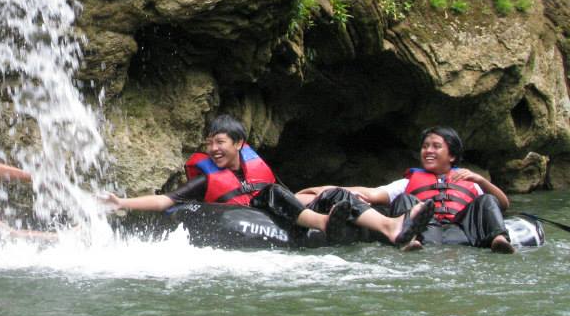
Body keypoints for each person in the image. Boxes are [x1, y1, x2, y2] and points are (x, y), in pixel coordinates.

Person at [103, 114, 434, 249]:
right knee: (273, 192)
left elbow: (289, 199)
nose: (213, 149)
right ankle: (324, 223)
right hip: (237, 218)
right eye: (210, 143)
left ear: (239, 145)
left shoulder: (255, 170)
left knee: (334, 193)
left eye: (220, 142)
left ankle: (393, 228)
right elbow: (167, 201)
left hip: (277, 214)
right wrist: (122, 203)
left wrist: (319, 194)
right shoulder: (206, 180)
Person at [300, 126, 514, 253]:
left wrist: (482, 181)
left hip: (464, 233)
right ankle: (408, 239)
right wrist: (320, 190)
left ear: (452, 155)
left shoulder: (472, 182)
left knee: (487, 200)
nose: (428, 151)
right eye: (425, 146)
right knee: (403, 199)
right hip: (425, 234)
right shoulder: (406, 183)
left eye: (436, 146)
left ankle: (498, 240)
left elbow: (501, 204)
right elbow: (370, 193)